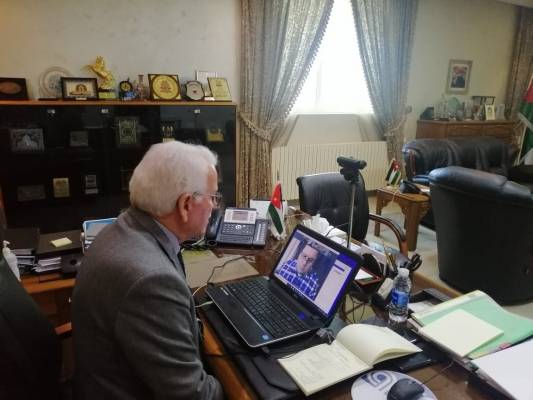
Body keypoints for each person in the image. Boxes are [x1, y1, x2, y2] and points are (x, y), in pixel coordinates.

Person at [72, 141, 223, 400]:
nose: (215, 207)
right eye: (213, 197)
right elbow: (193, 395)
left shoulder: (123, 227)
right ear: (186, 204)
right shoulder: (152, 281)